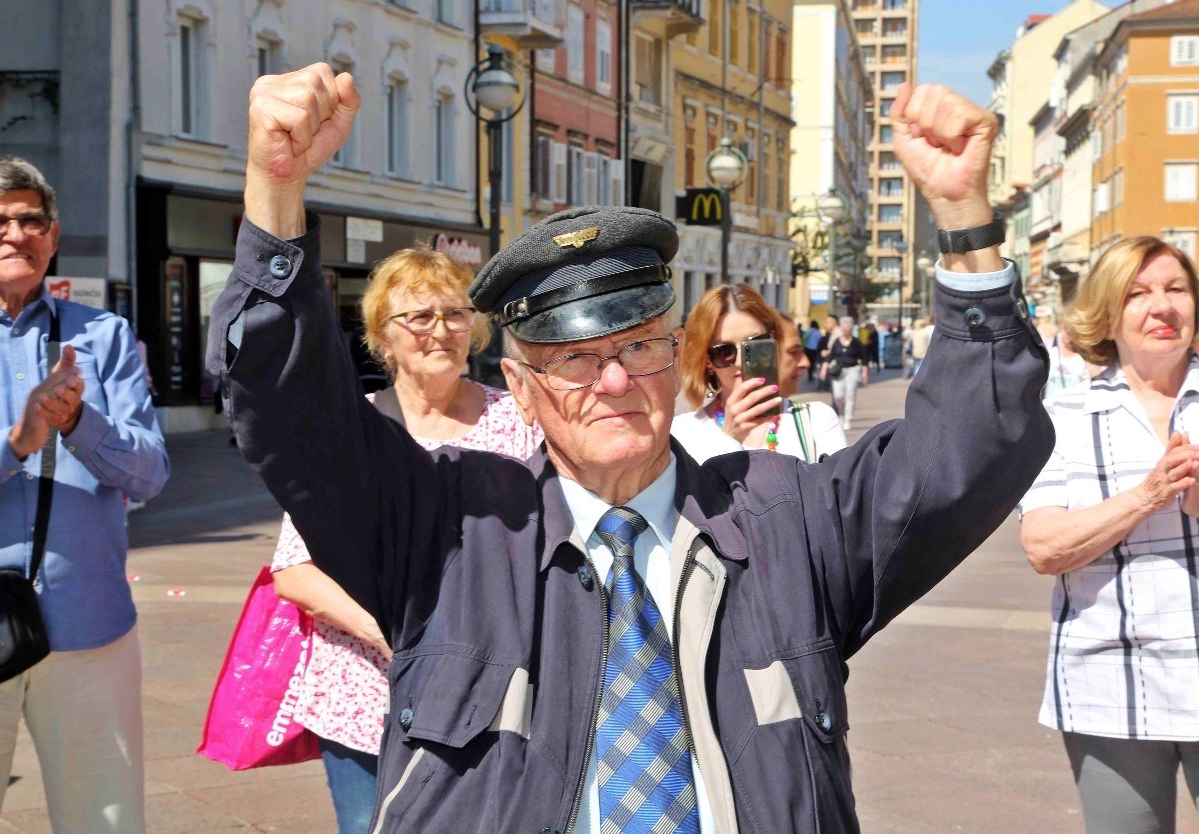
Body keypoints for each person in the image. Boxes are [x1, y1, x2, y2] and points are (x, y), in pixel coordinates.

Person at [208, 66, 1051, 833]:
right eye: (575, 358)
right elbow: (292, 419)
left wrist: (964, 222)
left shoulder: (785, 520)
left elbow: (974, 445)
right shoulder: (449, 529)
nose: (614, 382)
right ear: (521, 383)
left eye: (640, 346)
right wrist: (276, 193)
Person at [269, 245, 542, 833]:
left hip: (489, 687)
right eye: (418, 317)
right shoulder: (350, 432)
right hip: (364, 692)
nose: (439, 330)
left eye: (455, 314)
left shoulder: (519, 423)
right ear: (382, 337)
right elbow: (293, 568)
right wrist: (395, 636)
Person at [0, 157, 169, 833]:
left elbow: (149, 474)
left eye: (31, 219)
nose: (15, 233)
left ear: (53, 233)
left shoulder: (104, 336)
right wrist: (13, 446)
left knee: (107, 821)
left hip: (90, 626)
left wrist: (78, 423)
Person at [1019, 237, 1199, 834]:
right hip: (1112, 685)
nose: (1162, 307)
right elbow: (1044, 548)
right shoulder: (1063, 419)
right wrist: (1149, 495)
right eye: (1139, 293)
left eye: (1176, 289)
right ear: (1106, 313)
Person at [671, 285, 846, 464]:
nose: (740, 361)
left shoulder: (817, 420)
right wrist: (728, 440)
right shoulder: (682, 434)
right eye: (724, 351)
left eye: (754, 344)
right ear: (707, 360)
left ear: (772, 340)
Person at [820, 314, 868, 430]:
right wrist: (823, 369)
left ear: (851, 328)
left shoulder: (856, 342)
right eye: (844, 327)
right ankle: (841, 414)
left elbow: (864, 358)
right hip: (838, 371)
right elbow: (830, 356)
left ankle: (847, 418)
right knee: (838, 396)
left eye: (848, 327)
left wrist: (864, 372)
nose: (845, 329)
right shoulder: (837, 341)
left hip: (853, 370)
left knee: (850, 394)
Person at [816, 313, 839, 391]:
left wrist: (827, 352)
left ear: (833, 323)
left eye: (827, 322)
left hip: (838, 368)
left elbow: (837, 350)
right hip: (835, 367)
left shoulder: (838, 334)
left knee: (838, 396)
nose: (825, 325)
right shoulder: (833, 334)